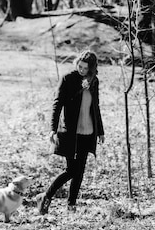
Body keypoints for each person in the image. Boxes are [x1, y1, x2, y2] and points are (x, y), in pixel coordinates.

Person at [38, 50, 105, 214]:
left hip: (88, 132)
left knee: (80, 170)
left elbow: (96, 107)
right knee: (71, 170)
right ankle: (46, 196)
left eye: (85, 68)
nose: (81, 70)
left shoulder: (93, 81)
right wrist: (52, 129)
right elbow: (57, 104)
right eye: (79, 66)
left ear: (91, 69)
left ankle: (71, 204)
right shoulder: (68, 79)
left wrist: (100, 131)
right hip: (70, 133)